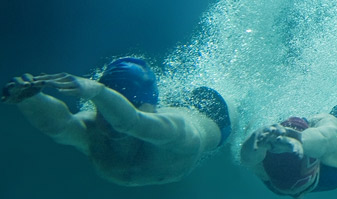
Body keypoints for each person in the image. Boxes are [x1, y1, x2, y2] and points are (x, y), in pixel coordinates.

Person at [1, 57, 231, 186]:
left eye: (130, 106)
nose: (109, 122)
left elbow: (130, 122)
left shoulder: (176, 130)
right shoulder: (92, 126)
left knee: (237, 100)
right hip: (144, 104)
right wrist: (30, 98)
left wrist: (98, 93)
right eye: (102, 111)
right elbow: (58, 126)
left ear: (151, 109)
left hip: (214, 114)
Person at [240, 104, 337, 199]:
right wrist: (301, 139)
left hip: (285, 176)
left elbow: (247, 158)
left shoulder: (264, 171)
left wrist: (256, 138)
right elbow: (328, 137)